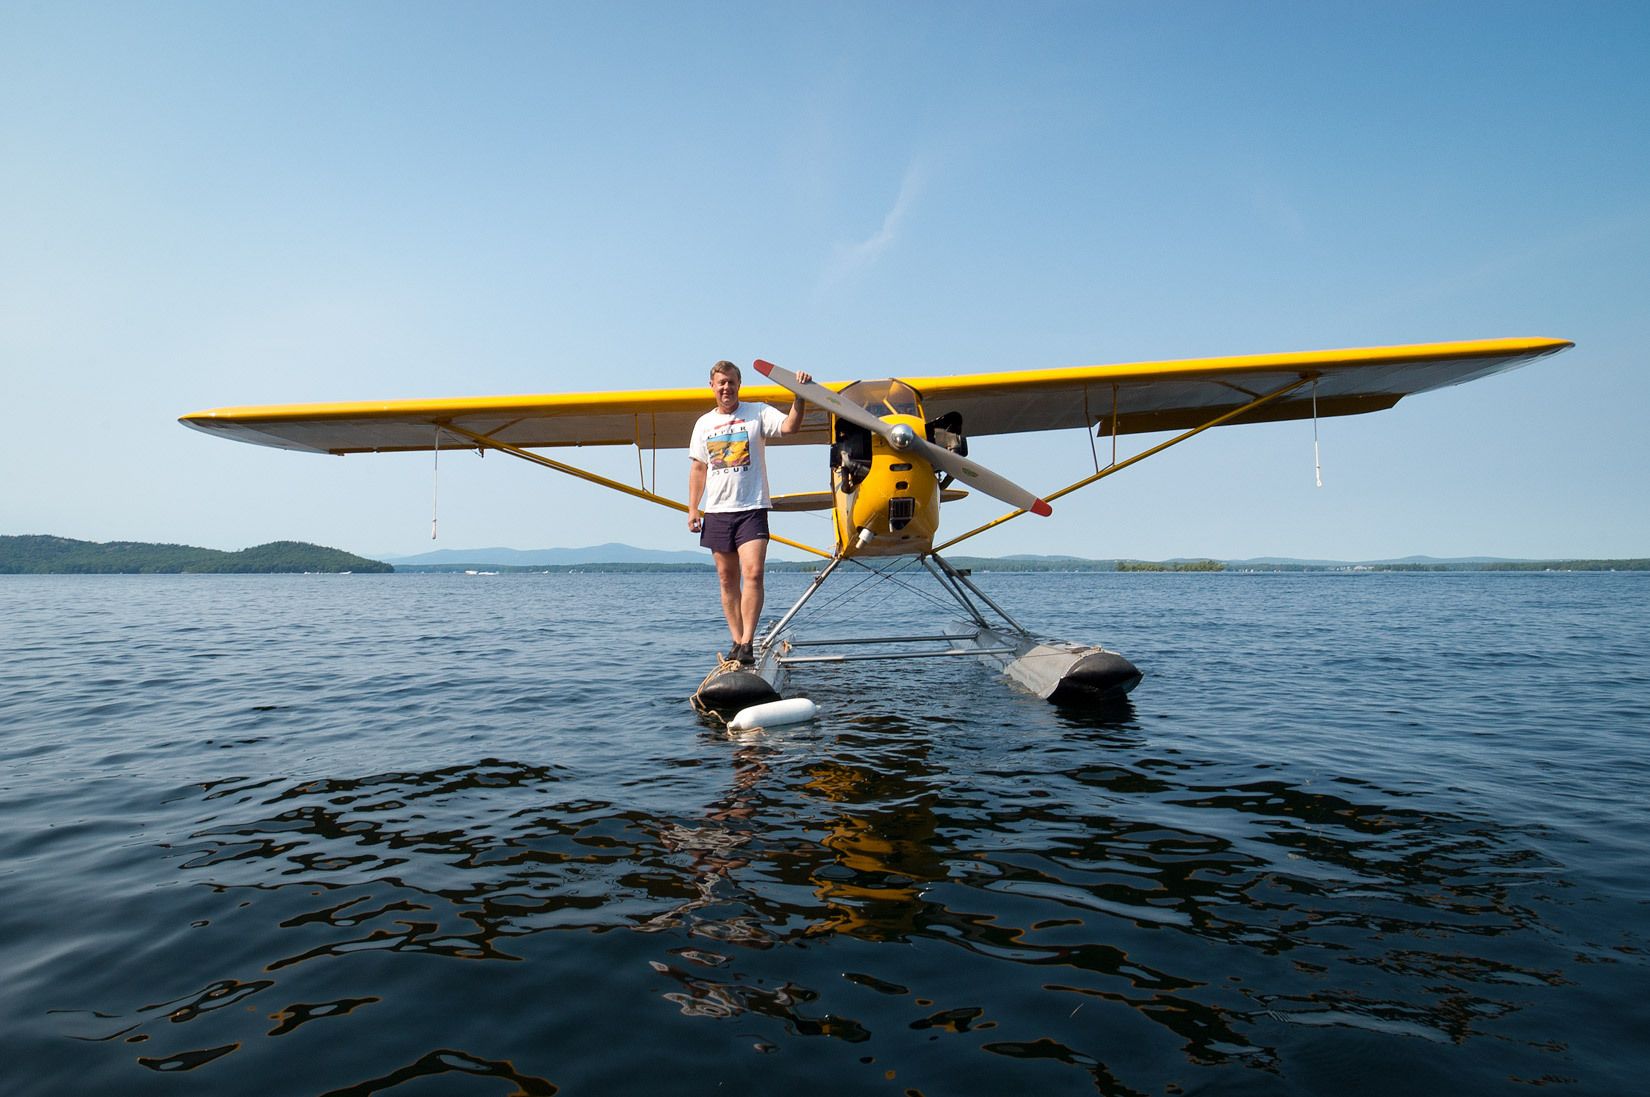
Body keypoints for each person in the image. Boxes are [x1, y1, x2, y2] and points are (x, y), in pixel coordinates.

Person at [687, 359, 811, 665]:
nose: (726, 387)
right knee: (727, 579)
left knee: (753, 573)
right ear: (712, 386)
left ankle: (747, 643)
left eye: (731, 382)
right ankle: (735, 639)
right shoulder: (703, 424)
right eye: (721, 382)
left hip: (752, 507)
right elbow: (699, 468)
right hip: (717, 510)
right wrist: (693, 508)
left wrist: (800, 396)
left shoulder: (757, 412)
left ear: (738, 384)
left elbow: (790, 427)